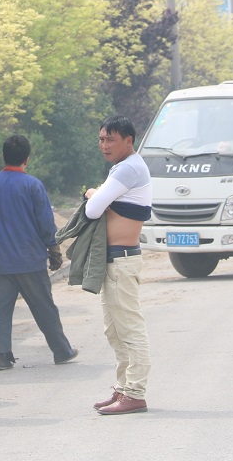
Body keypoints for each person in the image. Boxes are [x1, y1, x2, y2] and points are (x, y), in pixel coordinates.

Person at [0, 135, 78, 371]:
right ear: (27, 159)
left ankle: (1, 356)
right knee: (44, 307)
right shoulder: (33, 185)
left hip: (0, 261)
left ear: (4, 156)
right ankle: (62, 351)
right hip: (29, 259)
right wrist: (54, 250)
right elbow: (45, 222)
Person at [83, 115, 153, 416]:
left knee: (130, 330)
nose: (104, 145)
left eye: (110, 139)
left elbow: (92, 208)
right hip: (115, 261)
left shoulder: (128, 169)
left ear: (129, 140)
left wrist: (91, 193)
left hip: (123, 261)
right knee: (115, 331)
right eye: (101, 139)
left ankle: (135, 392)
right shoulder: (122, 168)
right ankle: (124, 388)